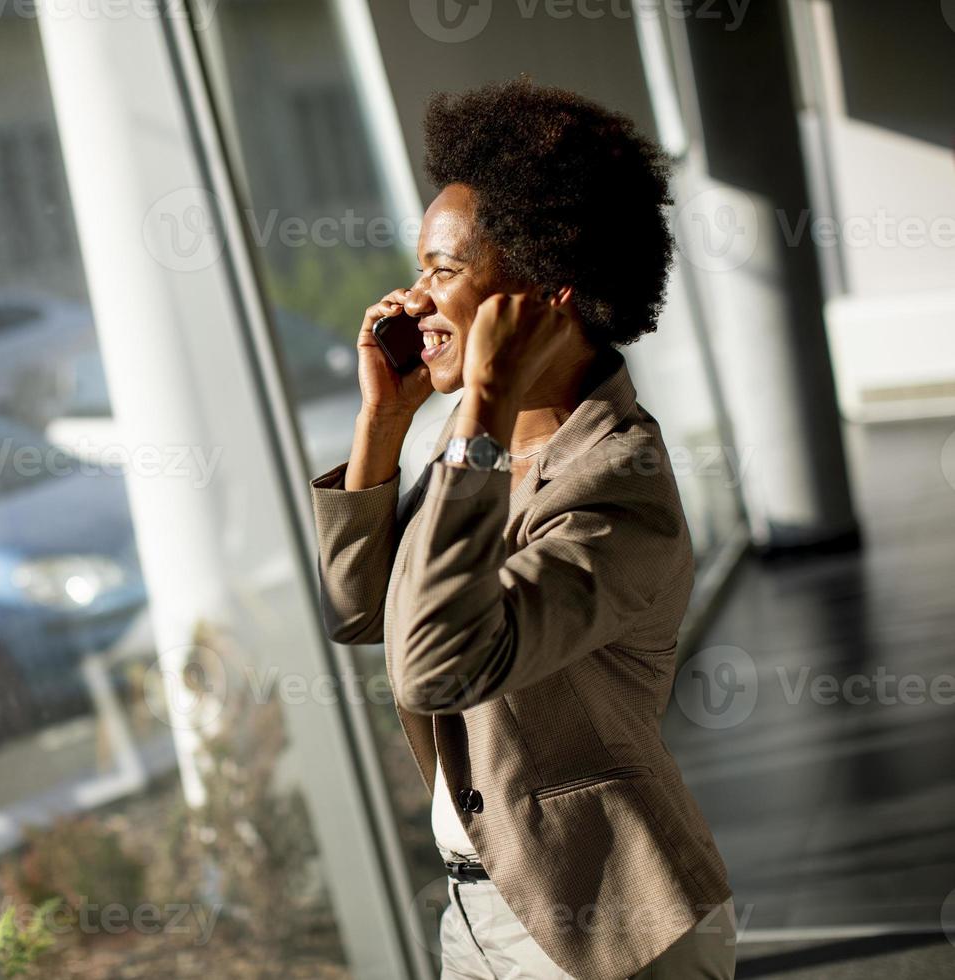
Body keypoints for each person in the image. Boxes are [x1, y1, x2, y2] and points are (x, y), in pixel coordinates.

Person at [309, 79, 735, 979]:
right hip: (476, 907)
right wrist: (382, 427)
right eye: (420, 268)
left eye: (443, 270)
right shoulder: (481, 454)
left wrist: (486, 409)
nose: (415, 299)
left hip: (607, 923)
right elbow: (359, 610)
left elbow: (434, 662)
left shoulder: (619, 481)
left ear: (542, 295)